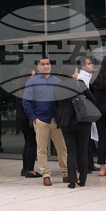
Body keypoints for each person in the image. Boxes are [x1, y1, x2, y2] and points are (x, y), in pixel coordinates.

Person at [23, 57, 68, 187]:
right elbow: (26, 102)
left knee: (62, 148)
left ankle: (65, 173)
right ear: (38, 67)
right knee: (42, 149)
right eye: (43, 64)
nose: (46, 66)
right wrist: (34, 118)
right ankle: (46, 175)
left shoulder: (57, 81)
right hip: (41, 120)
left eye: (48, 64)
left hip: (57, 119)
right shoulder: (32, 82)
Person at [55, 65, 95, 189]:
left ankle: (72, 181)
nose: (77, 74)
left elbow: (56, 104)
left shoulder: (57, 86)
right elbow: (93, 98)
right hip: (82, 121)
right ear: (72, 74)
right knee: (82, 151)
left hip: (66, 122)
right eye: (77, 72)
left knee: (71, 151)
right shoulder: (80, 84)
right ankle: (82, 180)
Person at [15, 69, 40, 178]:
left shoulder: (20, 88)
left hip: (22, 119)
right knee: (32, 144)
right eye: (33, 75)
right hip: (28, 119)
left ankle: (25, 168)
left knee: (28, 143)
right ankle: (30, 170)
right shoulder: (28, 88)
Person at [77, 58, 99, 172]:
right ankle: (85, 165)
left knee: (90, 141)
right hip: (86, 111)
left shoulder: (91, 77)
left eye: (92, 63)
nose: (92, 65)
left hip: (90, 110)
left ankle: (90, 164)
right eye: (89, 64)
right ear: (83, 67)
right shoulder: (81, 78)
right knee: (86, 141)